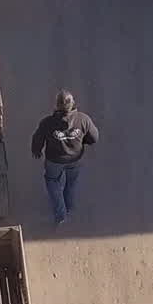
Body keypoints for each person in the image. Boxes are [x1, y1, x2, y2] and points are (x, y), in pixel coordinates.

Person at [30, 89, 99, 226]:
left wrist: (36, 150)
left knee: (52, 181)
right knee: (71, 182)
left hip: (54, 160)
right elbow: (94, 138)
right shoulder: (83, 119)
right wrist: (82, 141)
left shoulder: (47, 123)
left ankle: (61, 214)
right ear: (73, 103)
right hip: (75, 159)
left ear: (56, 105)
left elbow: (37, 138)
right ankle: (70, 206)